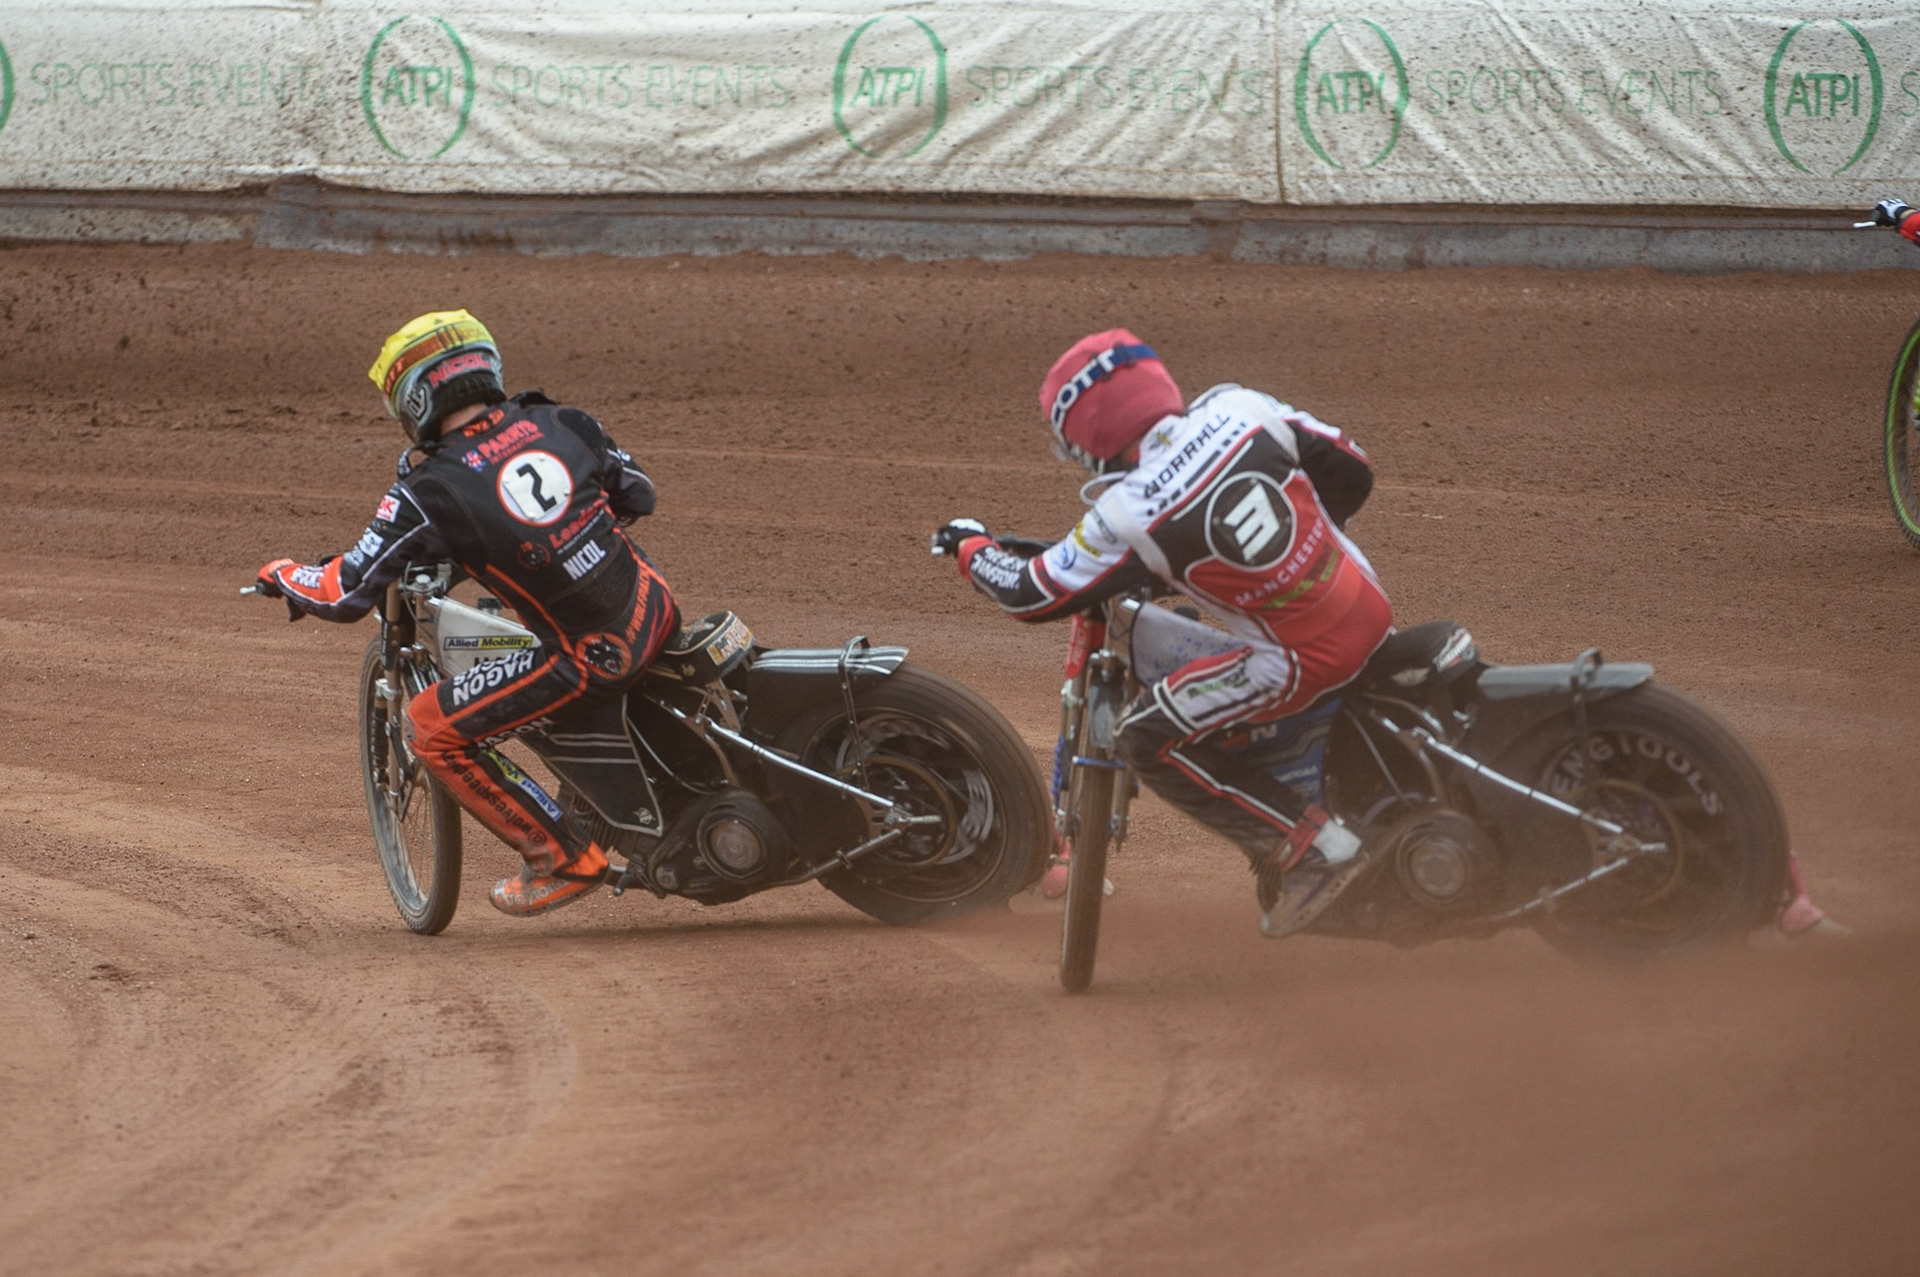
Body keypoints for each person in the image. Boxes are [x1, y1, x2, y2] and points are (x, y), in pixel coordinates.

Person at [931, 330, 1394, 938]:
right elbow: (1352, 472)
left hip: (1300, 659)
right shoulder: (1240, 406)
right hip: (1368, 600)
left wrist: (970, 546)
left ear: (1089, 437)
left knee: (1144, 735)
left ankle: (1314, 850)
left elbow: (1032, 593)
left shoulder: (1127, 511)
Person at [254, 310, 677, 917]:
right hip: (655, 606)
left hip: (591, 656)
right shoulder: (564, 422)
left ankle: (563, 858)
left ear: (417, 397)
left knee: (432, 726)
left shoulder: (430, 491)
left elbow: (345, 593)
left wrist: (282, 575)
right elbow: (638, 494)